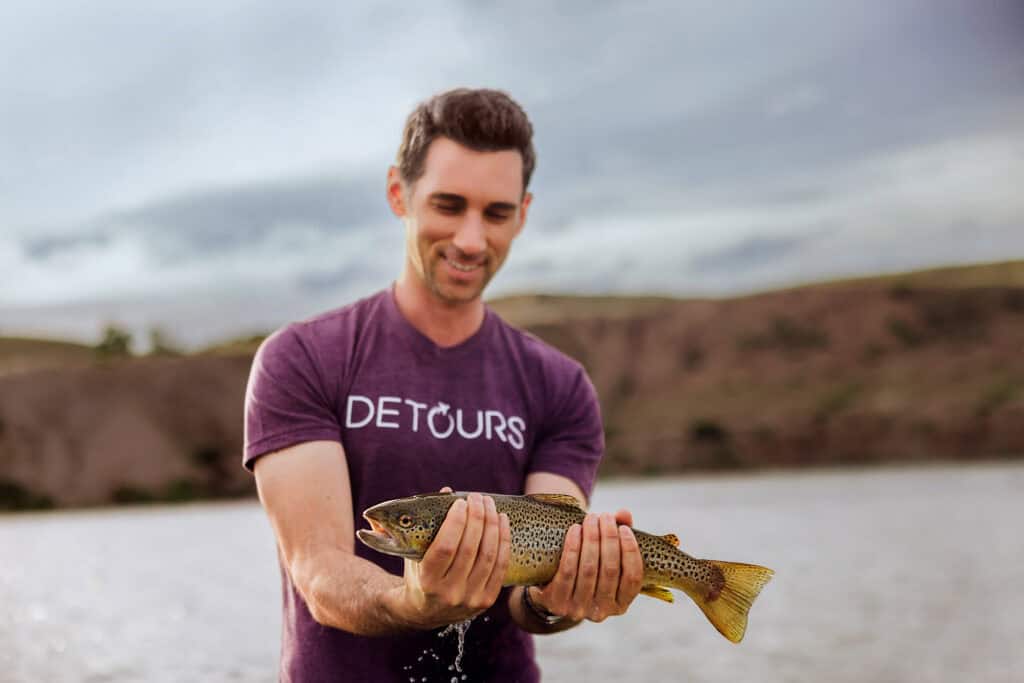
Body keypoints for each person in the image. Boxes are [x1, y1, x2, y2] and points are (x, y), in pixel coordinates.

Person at [243, 88, 644, 682]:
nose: (472, 240)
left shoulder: (560, 386)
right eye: (449, 205)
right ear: (397, 193)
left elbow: (532, 598)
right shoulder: (302, 358)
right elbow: (320, 571)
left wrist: (562, 599)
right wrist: (414, 603)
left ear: (524, 214)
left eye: (497, 213)